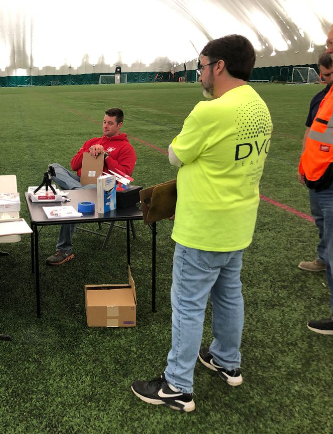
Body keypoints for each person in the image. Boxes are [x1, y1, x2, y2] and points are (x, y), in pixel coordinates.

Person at [131, 34, 273, 412]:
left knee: (188, 305)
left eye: (202, 66)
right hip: (238, 225)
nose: (200, 75)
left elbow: (175, 155)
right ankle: (227, 360)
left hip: (203, 228)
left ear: (219, 66)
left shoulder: (211, 111)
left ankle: (177, 386)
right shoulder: (259, 107)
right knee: (229, 295)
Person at [45, 108, 136, 265]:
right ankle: (77, 193)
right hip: (81, 183)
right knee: (53, 168)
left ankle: (65, 250)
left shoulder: (126, 148)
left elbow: (125, 177)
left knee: (73, 198)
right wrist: (88, 151)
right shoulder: (93, 142)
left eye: (110, 123)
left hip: (103, 189)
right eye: (104, 122)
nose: (105, 126)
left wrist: (106, 156)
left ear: (119, 125)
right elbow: (74, 165)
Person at [299, 25, 333, 335]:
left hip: (328, 180)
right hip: (317, 177)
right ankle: (323, 259)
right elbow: (314, 135)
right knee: (322, 224)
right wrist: (305, 165)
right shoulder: (323, 98)